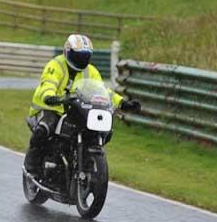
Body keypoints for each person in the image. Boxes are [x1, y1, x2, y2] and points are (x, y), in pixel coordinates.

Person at [23, 34, 140, 176]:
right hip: (52, 107)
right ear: (67, 51)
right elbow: (48, 83)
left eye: (85, 56)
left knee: (100, 131)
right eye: (77, 55)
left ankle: (83, 161)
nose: (81, 59)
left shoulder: (91, 71)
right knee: (45, 128)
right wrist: (50, 97)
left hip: (77, 109)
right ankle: (31, 164)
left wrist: (122, 103)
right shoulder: (56, 65)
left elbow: (103, 91)